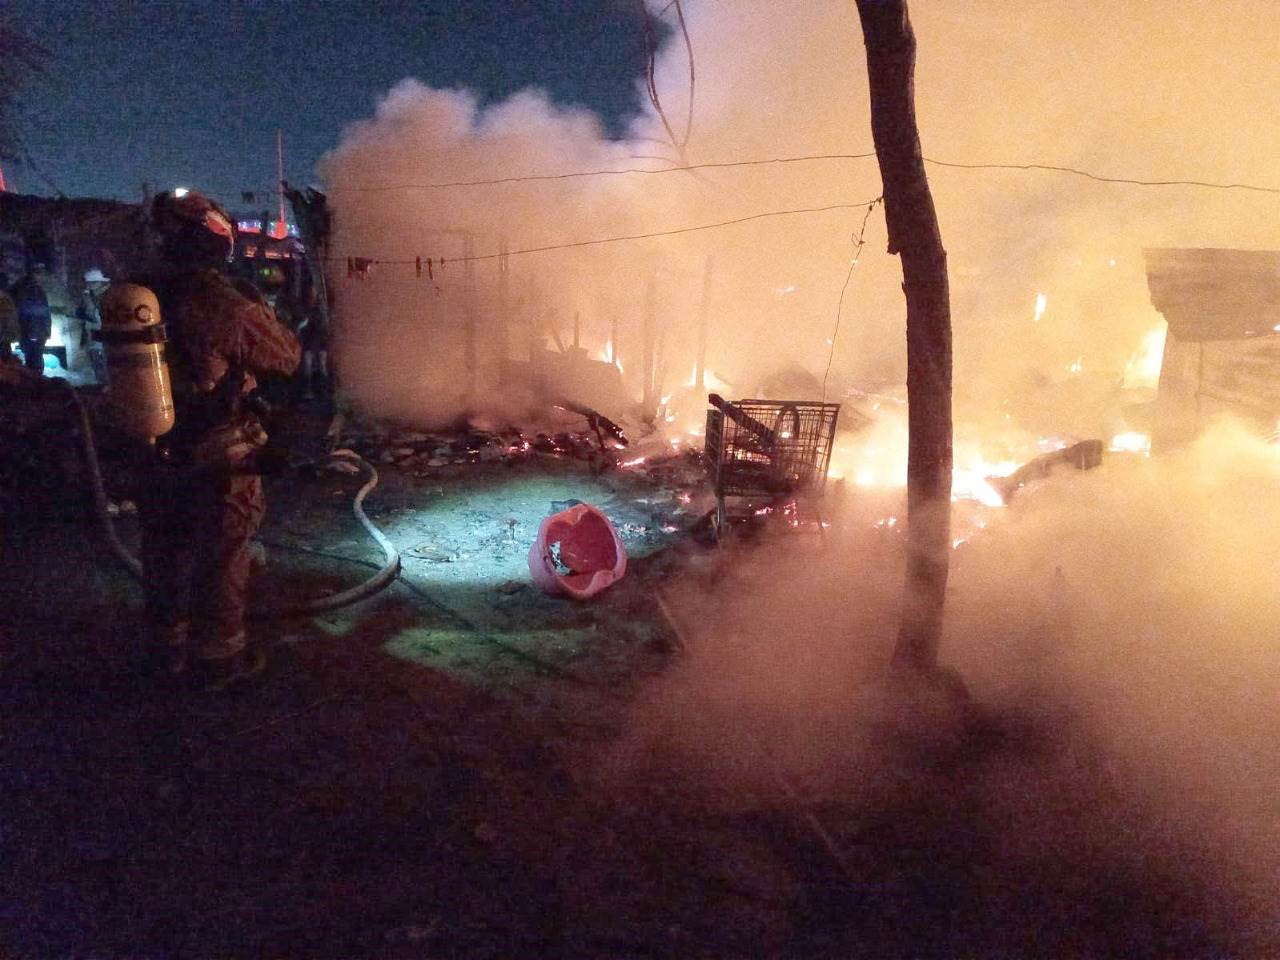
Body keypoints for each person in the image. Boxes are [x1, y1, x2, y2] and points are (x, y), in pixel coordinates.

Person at [138, 189, 301, 690]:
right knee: (222, 553)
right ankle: (219, 659)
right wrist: (260, 310)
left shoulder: (137, 293)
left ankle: (165, 650)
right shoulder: (217, 300)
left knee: (165, 549)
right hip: (217, 448)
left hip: (152, 448)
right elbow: (286, 357)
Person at [10, 263, 52, 373]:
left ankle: (34, 383)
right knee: (35, 361)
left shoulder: (32, 288)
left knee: (33, 359)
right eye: (41, 274)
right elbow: (34, 312)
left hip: (32, 331)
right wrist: (35, 332)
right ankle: (36, 385)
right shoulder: (30, 289)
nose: (43, 278)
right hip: (33, 332)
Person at [77, 268, 111, 383]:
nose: (89, 286)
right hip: (93, 336)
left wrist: (86, 299)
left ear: (100, 283)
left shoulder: (104, 297)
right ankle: (104, 385)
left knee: (103, 365)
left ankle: (107, 386)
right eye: (88, 283)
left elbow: (91, 314)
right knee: (97, 364)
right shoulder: (92, 296)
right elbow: (82, 313)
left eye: (92, 283)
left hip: (102, 336)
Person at [0, 271, 20, 363]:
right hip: (5, 337)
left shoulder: (6, 299)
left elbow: (8, 318)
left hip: (4, 338)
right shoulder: (7, 298)